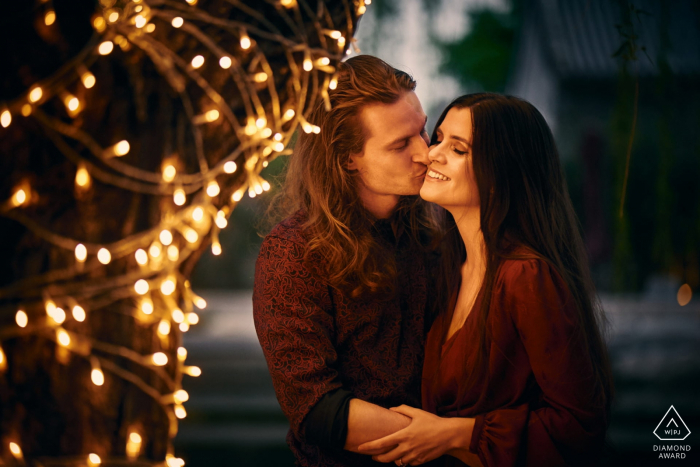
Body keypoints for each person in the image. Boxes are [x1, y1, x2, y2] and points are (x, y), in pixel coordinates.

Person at [357, 93, 615, 467]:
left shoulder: (526, 276)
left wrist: (456, 433)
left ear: (502, 172)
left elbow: (581, 425)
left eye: (458, 149)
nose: (432, 154)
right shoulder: (445, 267)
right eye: (440, 137)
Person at [252, 55, 442, 467]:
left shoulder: (437, 231)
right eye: (400, 144)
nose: (425, 154)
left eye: (423, 131)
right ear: (347, 157)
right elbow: (317, 409)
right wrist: (456, 444)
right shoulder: (294, 252)